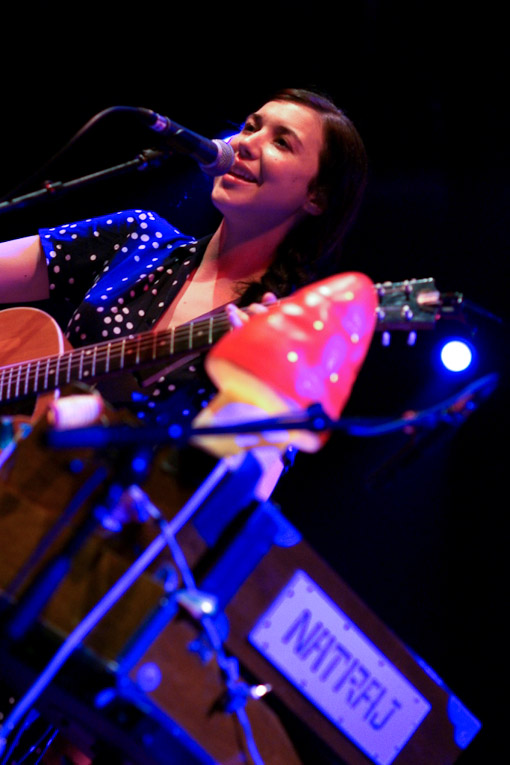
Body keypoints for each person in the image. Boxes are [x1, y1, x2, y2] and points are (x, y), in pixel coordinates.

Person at [0, 88, 368, 477]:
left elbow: (232, 499)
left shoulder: (280, 336)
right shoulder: (137, 237)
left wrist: (255, 392)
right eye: (250, 126)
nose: (244, 143)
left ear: (317, 196)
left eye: (280, 142)